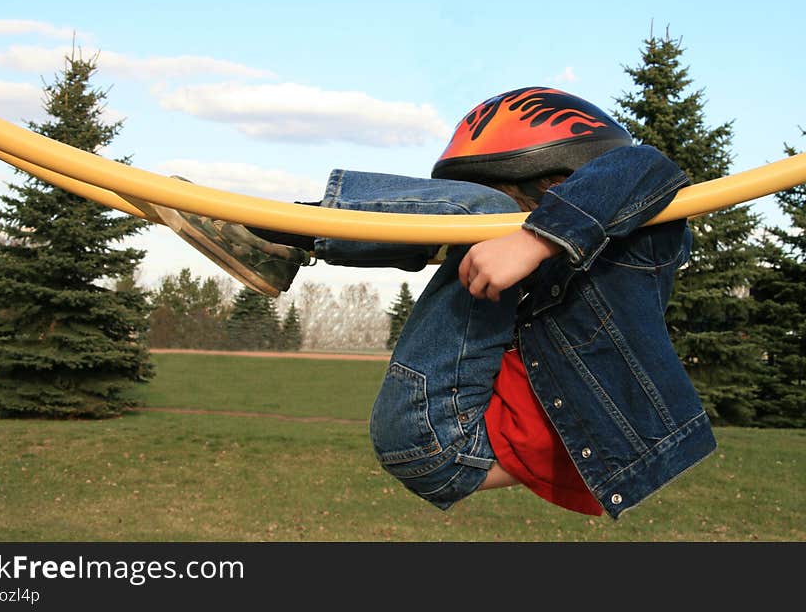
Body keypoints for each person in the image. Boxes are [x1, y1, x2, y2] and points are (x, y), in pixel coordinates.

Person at [149, 86, 717, 519]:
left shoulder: (642, 241)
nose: (519, 219)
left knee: (484, 218)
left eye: (524, 198)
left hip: (444, 435)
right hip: (450, 428)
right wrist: (525, 240)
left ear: (564, 181)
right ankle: (281, 240)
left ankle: (275, 236)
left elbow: (650, 167)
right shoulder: (554, 269)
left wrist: (533, 235)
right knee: (483, 225)